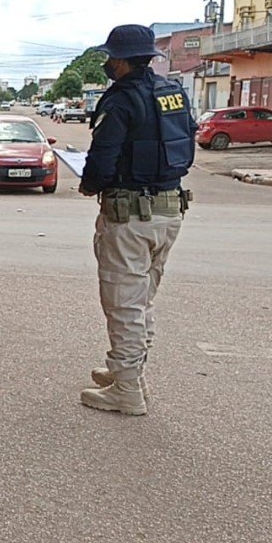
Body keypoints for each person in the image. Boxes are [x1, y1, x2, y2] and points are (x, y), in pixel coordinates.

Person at [77, 24, 196, 416]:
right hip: (169, 209)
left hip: (129, 216)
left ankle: (126, 391)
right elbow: (187, 145)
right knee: (141, 300)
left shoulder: (120, 100)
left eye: (110, 57)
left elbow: (102, 158)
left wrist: (89, 185)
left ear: (122, 60)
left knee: (125, 303)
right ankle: (130, 374)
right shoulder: (172, 93)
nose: (108, 63)